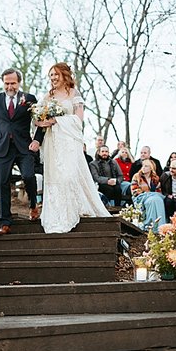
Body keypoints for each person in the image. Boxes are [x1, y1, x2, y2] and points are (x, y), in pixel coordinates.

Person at [34, 63, 111, 233]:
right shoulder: (48, 96)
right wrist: (40, 121)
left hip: (69, 142)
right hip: (53, 142)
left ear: (64, 75)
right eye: (51, 75)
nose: (53, 78)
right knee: (55, 177)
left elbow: (78, 120)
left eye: (56, 75)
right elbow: (38, 116)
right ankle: (57, 216)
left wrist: (57, 120)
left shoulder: (74, 94)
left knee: (68, 176)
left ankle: (74, 210)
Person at [0, 68, 45, 235]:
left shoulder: (29, 99)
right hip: (2, 148)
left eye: (13, 83)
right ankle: (5, 223)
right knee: (2, 183)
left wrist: (37, 140)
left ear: (19, 82)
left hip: (24, 147)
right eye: (7, 83)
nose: (10, 86)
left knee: (29, 176)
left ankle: (32, 205)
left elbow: (40, 121)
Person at [130, 159, 166, 230]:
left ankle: (160, 227)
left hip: (154, 197)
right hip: (140, 198)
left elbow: (158, 191)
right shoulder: (137, 176)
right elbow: (134, 191)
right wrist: (148, 194)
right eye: (143, 166)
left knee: (158, 200)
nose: (143, 168)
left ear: (151, 168)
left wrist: (152, 194)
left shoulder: (155, 178)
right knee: (153, 199)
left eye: (146, 166)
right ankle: (149, 225)